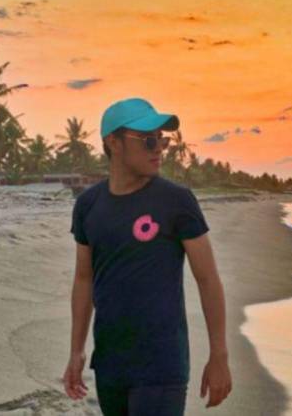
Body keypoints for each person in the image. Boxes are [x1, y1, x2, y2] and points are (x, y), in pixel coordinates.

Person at [62, 98, 232, 415]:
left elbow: (207, 279)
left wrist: (218, 354)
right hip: (110, 363)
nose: (159, 149)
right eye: (149, 140)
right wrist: (76, 351)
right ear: (113, 142)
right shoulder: (88, 206)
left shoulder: (176, 201)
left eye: (162, 140)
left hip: (162, 364)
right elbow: (84, 278)